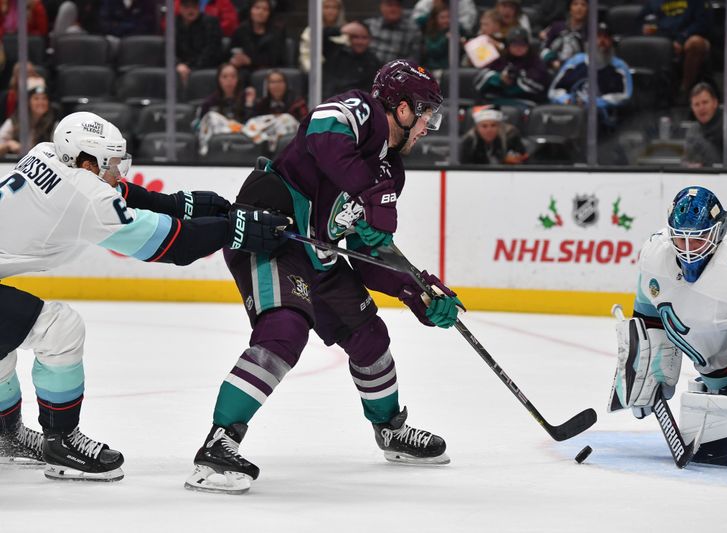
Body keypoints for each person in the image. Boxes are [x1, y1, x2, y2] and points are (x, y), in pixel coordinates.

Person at [185, 59, 463, 494]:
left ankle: (389, 430)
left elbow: (367, 249)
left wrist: (417, 290)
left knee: (370, 336)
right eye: (427, 113)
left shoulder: (392, 171)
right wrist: (368, 194)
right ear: (403, 109)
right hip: (272, 233)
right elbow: (320, 128)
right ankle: (217, 445)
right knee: (284, 329)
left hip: (319, 254)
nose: (431, 125)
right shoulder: (362, 111)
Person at [0, 111, 290, 479]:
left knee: (6, 336)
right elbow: (175, 246)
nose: (119, 174)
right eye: (112, 165)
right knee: (59, 329)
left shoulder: (46, 153)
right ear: (87, 162)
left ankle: (5, 436)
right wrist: (235, 229)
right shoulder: (86, 197)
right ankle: (63, 441)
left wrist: (175, 204)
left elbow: (114, 192)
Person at [607, 186, 727, 469]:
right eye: (680, 238)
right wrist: (647, 369)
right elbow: (648, 314)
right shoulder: (654, 254)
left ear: (718, 232)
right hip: (717, 377)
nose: (687, 249)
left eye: (697, 240)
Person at [548, 24, 632, 129]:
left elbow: (625, 96)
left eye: (606, 37)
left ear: (611, 42)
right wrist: (567, 99)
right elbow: (554, 90)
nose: (601, 42)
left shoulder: (619, 67)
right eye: (598, 37)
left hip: (602, 120)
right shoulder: (575, 61)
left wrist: (594, 103)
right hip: (570, 113)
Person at [638, 0, 712, 98]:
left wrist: (681, 39)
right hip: (664, 39)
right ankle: (651, 93)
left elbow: (702, 23)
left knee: (695, 43)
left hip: (690, 37)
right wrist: (645, 27)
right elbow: (640, 20)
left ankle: (685, 90)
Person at [475, 27, 550, 106]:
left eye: (522, 44)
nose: (518, 48)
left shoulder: (535, 62)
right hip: (498, 99)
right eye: (514, 44)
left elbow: (540, 87)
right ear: (508, 45)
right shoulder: (499, 59)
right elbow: (480, 79)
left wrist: (517, 78)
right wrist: (499, 79)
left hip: (526, 102)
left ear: (528, 46)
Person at [321, 20, 382, 99]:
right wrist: (341, 30)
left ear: (370, 40)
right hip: (328, 102)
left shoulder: (373, 63)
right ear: (349, 38)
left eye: (364, 38)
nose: (360, 42)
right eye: (355, 37)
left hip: (354, 106)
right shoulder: (336, 52)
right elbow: (318, 37)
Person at [230, 0, 287, 74]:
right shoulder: (241, 30)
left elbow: (275, 59)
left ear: (269, 13)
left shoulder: (277, 33)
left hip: (269, 72)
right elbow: (229, 52)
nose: (260, 12)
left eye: (265, 9)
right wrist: (234, 60)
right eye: (257, 8)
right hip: (243, 72)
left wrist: (250, 61)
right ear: (250, 10)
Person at [175, 0, 225, 86]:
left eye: (194, 6)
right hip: (182, 67)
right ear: (180, 8)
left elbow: (211, 51)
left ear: (199, 7)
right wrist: (178, 64)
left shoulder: (211, 23)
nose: (191, 10)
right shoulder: (174, 24)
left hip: (204, 66)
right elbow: (167, 49)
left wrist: (191, 68)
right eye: (187, 7)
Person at [0, 82, 56, 157]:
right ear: (28, 102)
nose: (40, 102)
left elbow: (56, 151)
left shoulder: (54, 124)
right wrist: (8, 144)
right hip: (14, 164)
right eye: (36, 98)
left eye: (44, 98)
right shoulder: (14, 121)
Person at [459, 104, 527, 164]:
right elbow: (464, 166)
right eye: (484, 126)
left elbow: (524, 158)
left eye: (493, 125)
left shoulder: (511, 135)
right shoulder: (469, 140)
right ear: (477, 128)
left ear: (499, 126)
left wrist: (514, 161)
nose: (489, 130)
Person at [299, 0, 346, 73]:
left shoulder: (346, 30)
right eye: (326, 7)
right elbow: (306, 57)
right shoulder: (310, 31)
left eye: (334, 7)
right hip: (318, 75)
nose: (331, 11)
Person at [540, 0, 588, 71]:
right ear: (569, 8)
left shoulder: (591, 31)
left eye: (583, 5)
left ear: (588, 9)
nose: (579, 8)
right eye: (575, 4)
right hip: (553, 67)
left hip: (578, 70)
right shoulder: (556, 26)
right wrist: (552, 61)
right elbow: (544, 49)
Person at [683, 82, 722, 167]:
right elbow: (685, 161)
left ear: (715, 103)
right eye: (696, 104)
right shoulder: (692, 131)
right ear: (692, 108)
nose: (701, 108)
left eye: (705, 102)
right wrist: (689, 165)